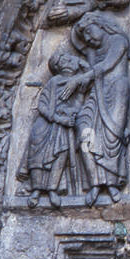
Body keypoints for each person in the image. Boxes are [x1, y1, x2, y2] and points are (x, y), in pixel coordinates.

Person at [72, 12, 130, 207]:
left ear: (100, 24)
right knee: (84, 132)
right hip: (95, 95)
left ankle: (112, 183)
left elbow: (107, 65)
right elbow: (90, 68)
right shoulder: (90, 50)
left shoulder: (118, 40)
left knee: (112, 137)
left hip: (116, 91)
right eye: (85, 37)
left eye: (89, 32)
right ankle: (94, 183)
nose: (88, 39)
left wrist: (81, 78)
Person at [21, 47, 86, 208]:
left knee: (61, 156)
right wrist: (56, 117)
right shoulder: (53, 82)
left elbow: (80, 101)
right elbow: (42, 104)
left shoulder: (78, 83)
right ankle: (36, 190)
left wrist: (71, 112)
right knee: (38, 156)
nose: (68, 62)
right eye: (62, 60)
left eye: (69, 59)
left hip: (63, 128)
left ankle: (52, 190)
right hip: (46, 125)